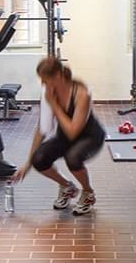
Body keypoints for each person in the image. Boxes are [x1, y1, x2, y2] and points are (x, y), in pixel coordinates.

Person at [11, 56, 105, 215]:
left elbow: (73, 131)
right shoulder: (48, 92)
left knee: (73, 157)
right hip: (66, 137)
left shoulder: (82, 93)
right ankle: (66, 187)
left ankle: (88, 193)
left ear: (58, 76)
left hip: (90, 137)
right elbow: (43, 128)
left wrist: (54, 104)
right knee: (38, 158)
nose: (43, 85)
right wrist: (27, 165)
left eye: (45, 80)